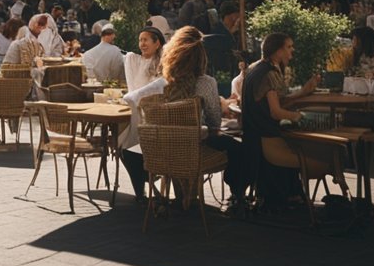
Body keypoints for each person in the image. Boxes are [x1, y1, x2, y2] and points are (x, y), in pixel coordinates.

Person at [120, 26, 245, 205]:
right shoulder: (206, 83)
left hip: (160, 150)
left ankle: (144, 195)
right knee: (240, 150)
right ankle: (238, 196)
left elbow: (129, 99)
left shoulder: (160, 84)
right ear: (201, 56)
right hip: (193, 152)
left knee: (127, 151)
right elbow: (214, 123)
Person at [242, 32, 329, 207]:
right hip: (266, 140)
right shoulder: (269, 73)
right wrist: (299, 117)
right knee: (311, 147)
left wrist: (302, 92)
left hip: (253, 137)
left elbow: (275, 102)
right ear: (277, 51)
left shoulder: (256, 67)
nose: (292, 51)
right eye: (289, 47)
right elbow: (276, 112)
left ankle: (292, 193)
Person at [124, 26, 166, 92]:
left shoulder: (163, 63)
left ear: (157, 43)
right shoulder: (133, 59)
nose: (142, 44)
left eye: (145, 40)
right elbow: (131, 88)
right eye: (140, 40)